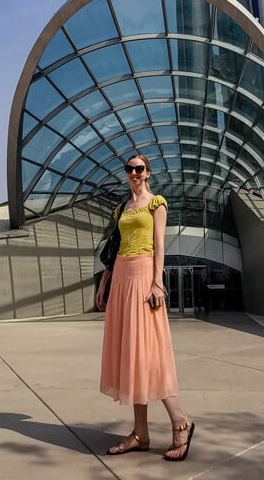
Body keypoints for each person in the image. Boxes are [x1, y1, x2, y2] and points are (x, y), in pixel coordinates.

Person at [96, 154, 195, 461]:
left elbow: (160, 245)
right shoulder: (121, 208)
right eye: (130, 169)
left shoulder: (157, 204)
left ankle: (180, 421)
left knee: (148, 352)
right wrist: (104, 282)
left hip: (143, 276)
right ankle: (141, 434)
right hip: (122, 277)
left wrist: (157, 282)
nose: (134, 173)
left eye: (139, 168)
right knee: (131, 355)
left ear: (148, 172)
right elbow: (115, 248)